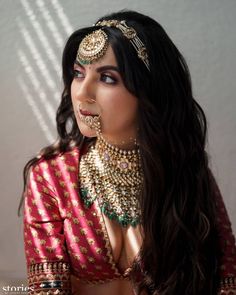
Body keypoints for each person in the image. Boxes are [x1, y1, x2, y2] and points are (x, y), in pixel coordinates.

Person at [20, 10, 236, 295]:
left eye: (107, 78)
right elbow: (46, 288)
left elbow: (227, 278)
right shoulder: (51, 176)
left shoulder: (185, 170)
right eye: (77, 73)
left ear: (149, 91)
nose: (82, 92)